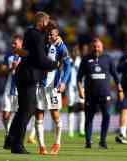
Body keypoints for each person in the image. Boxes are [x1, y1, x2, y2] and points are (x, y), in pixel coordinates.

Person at [6, 11, 60, 154]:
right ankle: (17, 145)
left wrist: (52, 39)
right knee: (27, 110)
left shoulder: (32, 34)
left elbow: (30, 54)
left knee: (24, 110)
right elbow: (41, 60)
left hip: (25, 75)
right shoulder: (36, 36)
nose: (48, 27)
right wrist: (55, 64)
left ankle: (11, 139)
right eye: (47, 23)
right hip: (28, 76)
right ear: (41, 22)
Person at [77, 38, 122, 149]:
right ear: (92, 47)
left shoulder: (108, 59)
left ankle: (102, 141)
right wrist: (80, 90)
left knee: (106, 116)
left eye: (98, 46)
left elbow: (115, 76)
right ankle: (88, 142)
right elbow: (79, 77)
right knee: (89, 118)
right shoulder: (86, 59)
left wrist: (120, 90)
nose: (96, 48)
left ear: (102, 48)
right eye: (95, 46)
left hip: (105, 94)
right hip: (90, 95)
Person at [35, 20, 71, 155]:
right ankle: (42, 147)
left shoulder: (61, 46)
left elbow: (68, 65)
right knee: (39, 116)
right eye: (47, 34)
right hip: (39, 85)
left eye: (51, 35)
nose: (49, 37)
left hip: (52, 87)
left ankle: (57, 143)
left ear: (57, 35)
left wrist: (64, 82)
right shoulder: (41, 43)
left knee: (55, 116)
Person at [0, 34, 36, 148]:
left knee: (20, 115)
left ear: (21, 44)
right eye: (12, 43)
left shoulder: (26, 55)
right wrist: (11, 68)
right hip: (9, 89)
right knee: (5, 115)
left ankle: (14, 137)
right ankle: (8, 134)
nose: (13, 45)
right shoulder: (8, 55)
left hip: (21, 89)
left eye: (15, 43)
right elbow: (1, 71)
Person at [67, 44, 87, 138]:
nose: (75, 52)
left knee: (82, 107)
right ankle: (70, 131)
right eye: (73, 51)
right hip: (70, 87)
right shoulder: (68, 61)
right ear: (71, 52)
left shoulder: (81, 61)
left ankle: (81, 130)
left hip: (80, 86)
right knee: (71, 107)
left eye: (77, 50)